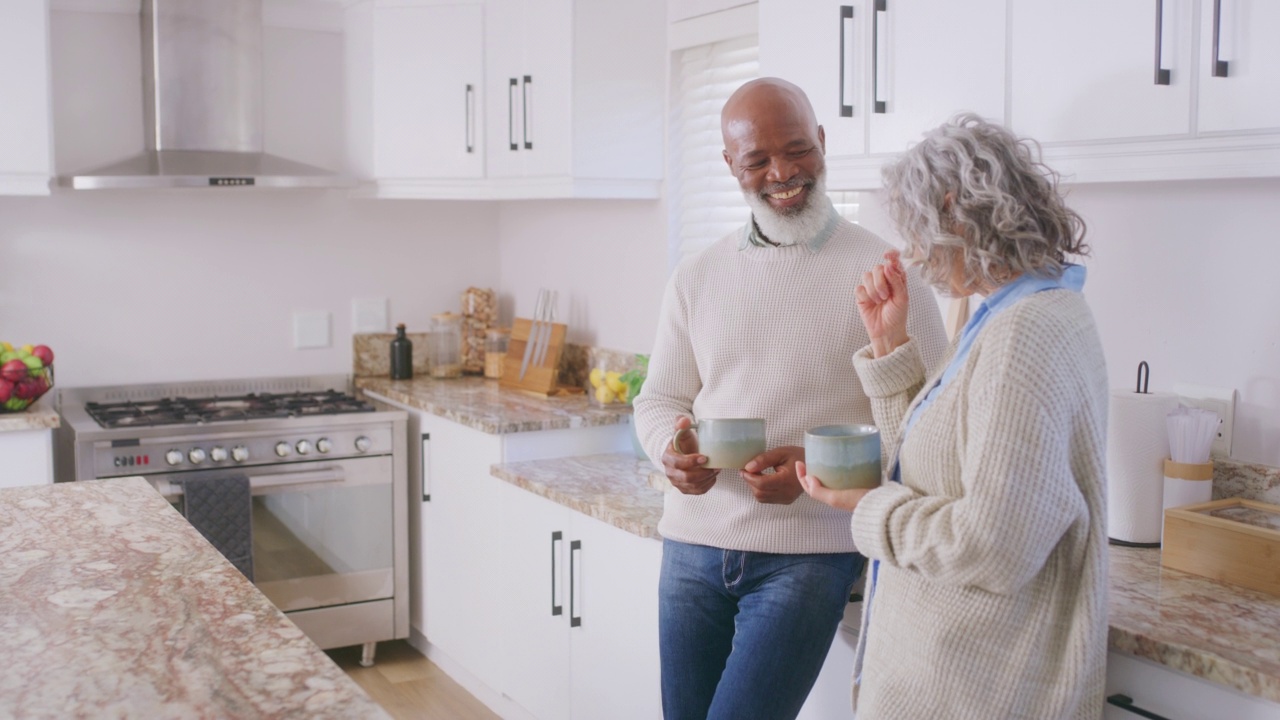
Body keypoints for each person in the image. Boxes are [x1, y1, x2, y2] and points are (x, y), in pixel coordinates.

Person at [632, 77, 949, 720]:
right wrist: (672, 450)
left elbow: (935, 426)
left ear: (823, 143)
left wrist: (816, 469)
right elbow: (660, 397)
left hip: (811, 553)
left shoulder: (887, 272)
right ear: (730, 165)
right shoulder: (698, 275)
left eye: (798, 149)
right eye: (757, 160)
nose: (782, 173)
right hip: (692, 546)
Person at [796, 113, 1110, 719]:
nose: (913, 254)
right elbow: (929, 467)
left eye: (917, 231)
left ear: (955, 214)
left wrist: (868, 508)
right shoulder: (1003, 313)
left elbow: (992, 547)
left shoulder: (1027, 334)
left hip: (975, 693)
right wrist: (889, 347)